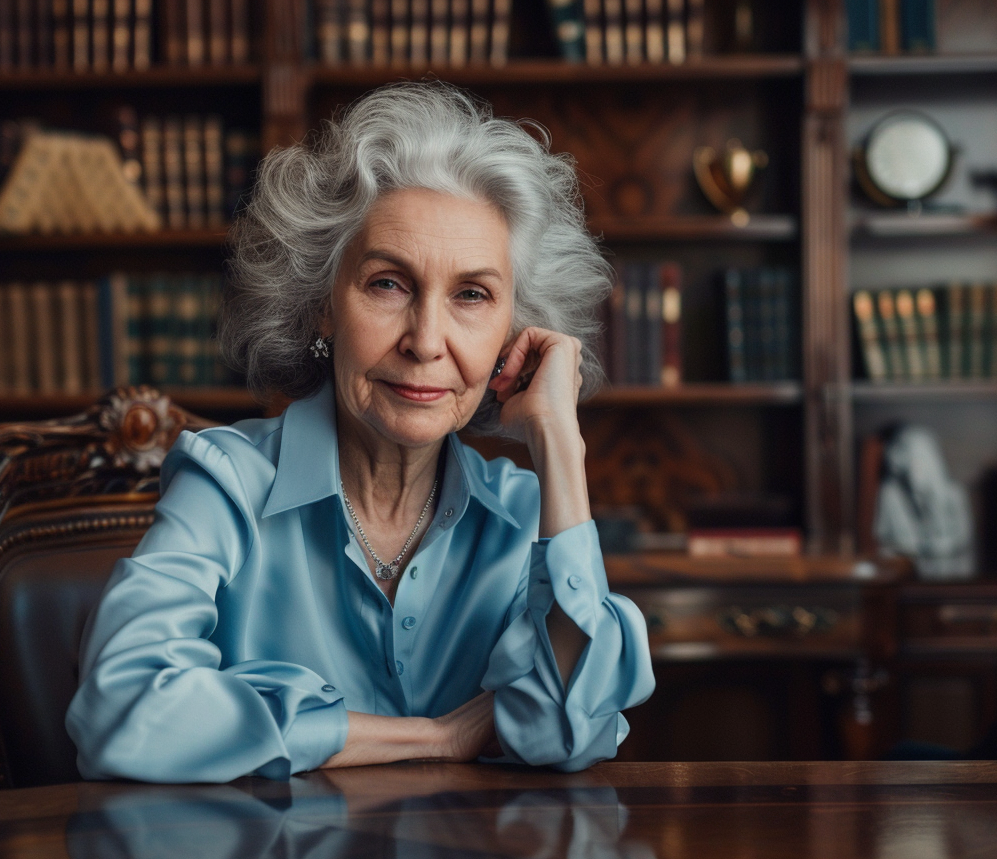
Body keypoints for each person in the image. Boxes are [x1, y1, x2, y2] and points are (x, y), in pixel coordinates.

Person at [66, 81, 654, 783]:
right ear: (322, 305)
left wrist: (560, 440)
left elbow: (568, 723)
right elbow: (121, 710)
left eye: (472, 295)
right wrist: (438, 737)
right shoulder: (226, 483)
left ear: (514, 331)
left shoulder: (525, 518)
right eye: (388, 284)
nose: (426, 341)